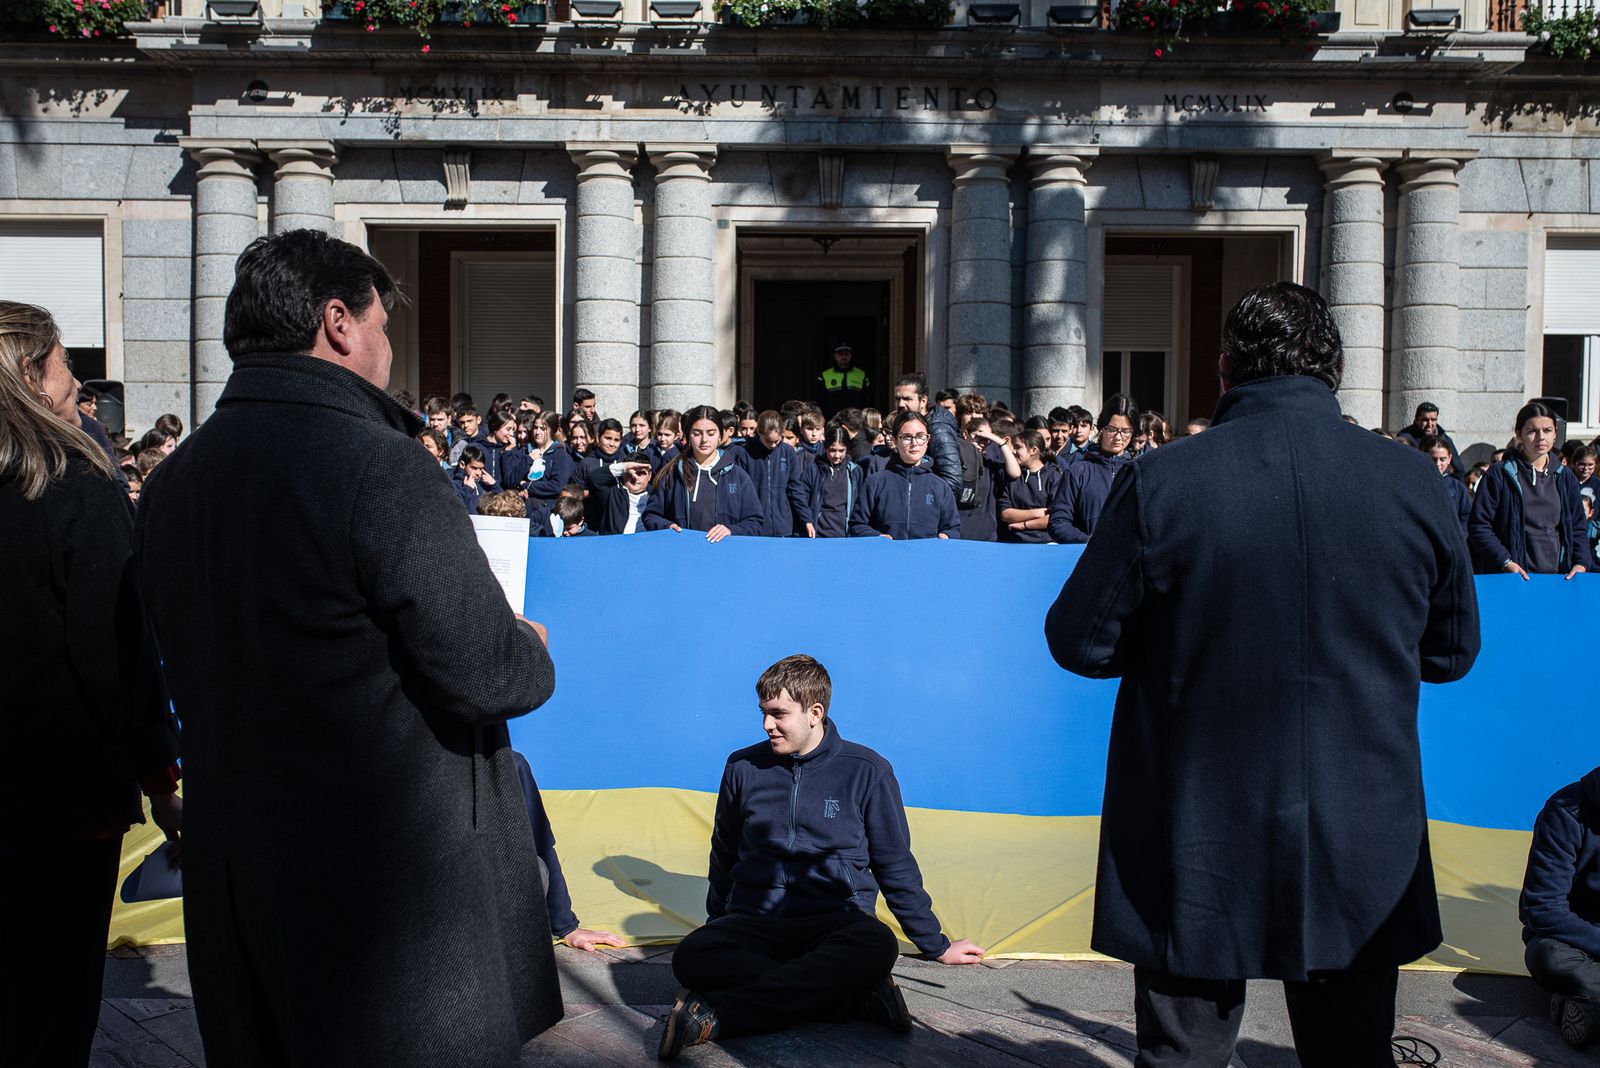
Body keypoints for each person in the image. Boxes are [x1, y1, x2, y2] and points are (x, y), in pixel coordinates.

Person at [134, 229, 563, 1066]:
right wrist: (526, 642)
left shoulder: (176, 480)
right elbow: (487, 672)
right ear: (339, 321)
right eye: (382, 323)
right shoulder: (382, 465)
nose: (390, 348)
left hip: (242, 883)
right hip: (390, 902)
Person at [1043, 282, 1480, 1067]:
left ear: (1223, 369)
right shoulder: (1416, 484)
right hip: (1360, 820)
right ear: (1336, 369)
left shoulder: (1163, 480)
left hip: (1197, 817)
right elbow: (1451, 656)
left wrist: (1182, 648)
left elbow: (1079, 642)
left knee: (1185, 1056)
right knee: (1352, 1055)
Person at [0, 301, 182, 1068]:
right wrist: (161, 775)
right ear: (31, 379)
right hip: (58, 800)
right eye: (67, 363)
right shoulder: (75, 486)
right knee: (48, 999)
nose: (80, 382)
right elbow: (118, 653)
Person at [660, 655, 985, 1059]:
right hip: (755, 921)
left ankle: (723, 1016)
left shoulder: (867, 770)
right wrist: (719, 924)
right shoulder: (743, 766)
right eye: (763, 713)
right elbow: (724, 852)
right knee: (693, 956)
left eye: (779, 714)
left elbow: (894, 862)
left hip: (835, 920)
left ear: (815, 713)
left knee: (877, 944)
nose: (767, 725)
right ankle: (853, 998)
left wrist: (934, 944)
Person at [1519, 766, 1600, 1049]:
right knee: (1549, 956)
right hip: (1575, 941)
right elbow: (1542, 907)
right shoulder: (1565, 811)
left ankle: (1585, 1006)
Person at [1468, 400, 1593, 579]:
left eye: (1547, 430)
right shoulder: (1499, 475)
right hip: (1511, 578)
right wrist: (1505, 562)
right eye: (1532, 431)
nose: (1541, 437)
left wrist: (1581, 563)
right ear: (1519, 434)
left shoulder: (1566, 477)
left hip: (1558, 578)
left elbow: (1578, 527)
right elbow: (1479, 526)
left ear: (1555, 433)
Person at [642, 404, 765, 541]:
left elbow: (755, 521)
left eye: (711, 433)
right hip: (681, 554)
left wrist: (731, 530)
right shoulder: (671, 473)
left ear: (720, 435)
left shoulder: (738, 476)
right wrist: (666, 527)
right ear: (688, 435)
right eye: (697, 433)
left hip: (723, 556)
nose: (704, 439)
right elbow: (650, 515)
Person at [849, 409, 960, 540]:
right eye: (907, 437)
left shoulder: (940, 486)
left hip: (926, 558)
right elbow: (857, 525)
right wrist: (876, 537)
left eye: (920, 437)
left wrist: (946, 536)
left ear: (928, 439)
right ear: (895, 440)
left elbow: (953, 528)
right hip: (886, 556)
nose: (914, 443)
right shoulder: (875, 483)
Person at [1047, 395, 1139, 544]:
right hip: (1087, 558)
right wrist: (1091, 542)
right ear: (1101, 428)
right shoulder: (1078, 471)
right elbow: (1058, 522)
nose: (1118, 437)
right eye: (1112, 430)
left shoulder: (1140, 472)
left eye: (1126, 431)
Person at [730, 409, 807, 537]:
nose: (773, 445)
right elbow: (741, 492)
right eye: (768, 441)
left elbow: (796, 488)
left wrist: (807, 518)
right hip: (756, 525)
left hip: (783, 525)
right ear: (759, 433)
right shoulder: (746, 453)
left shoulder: (787, 452)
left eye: (777, 441)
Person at [797, 426, 865, 539]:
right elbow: (802, 500)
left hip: (844, 535)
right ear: (825, 448)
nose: (837, 455)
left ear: (847, 449)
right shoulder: (813, 470)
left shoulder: (854, 472)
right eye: (832, 450)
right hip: (817, 534)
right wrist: (807, 521)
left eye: (841, 450)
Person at [998, 429, 1061, 543]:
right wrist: (1037, 513)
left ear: (1033, 450)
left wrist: (1024, 525)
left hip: (1045, 543)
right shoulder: (1013, 477)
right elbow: (1005, 514)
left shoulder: (1053, 478)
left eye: (1018, 447)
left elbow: (1054, 518)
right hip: (1015, 542)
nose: (1013, 451)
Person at [584, 455, 655, 535]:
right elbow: (594, 479)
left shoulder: (656, 497)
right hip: (615, 544)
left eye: (640, 473)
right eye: (629, 473)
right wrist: (624, 466)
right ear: (623, 474)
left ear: (649, 476)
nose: (635, 477)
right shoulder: (611, 493)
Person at [1395, 401, 1467, 477]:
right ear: (1416, 420)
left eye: (1433, 420)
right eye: (1425, 420)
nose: (1429, 424)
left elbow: (1459, 470)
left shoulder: (1444, 438)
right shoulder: (1405, 438)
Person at [1418, 433, 1471, 536]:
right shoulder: (1416, 484)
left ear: (1450, 458)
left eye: (1442, 459)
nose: (1438, 464)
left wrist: (1459, 537)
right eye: (1433, 459)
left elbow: (1466, 515)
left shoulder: (1457, 487)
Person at [818, 340, 870, 417]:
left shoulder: (861, 374)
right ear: (835, 356)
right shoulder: (824, 375)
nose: (844, 356)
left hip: (855, 418)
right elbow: (820, 399)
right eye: (840, 354)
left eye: (846, 354)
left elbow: (866, 398)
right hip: (832, 418)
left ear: (851, 356)